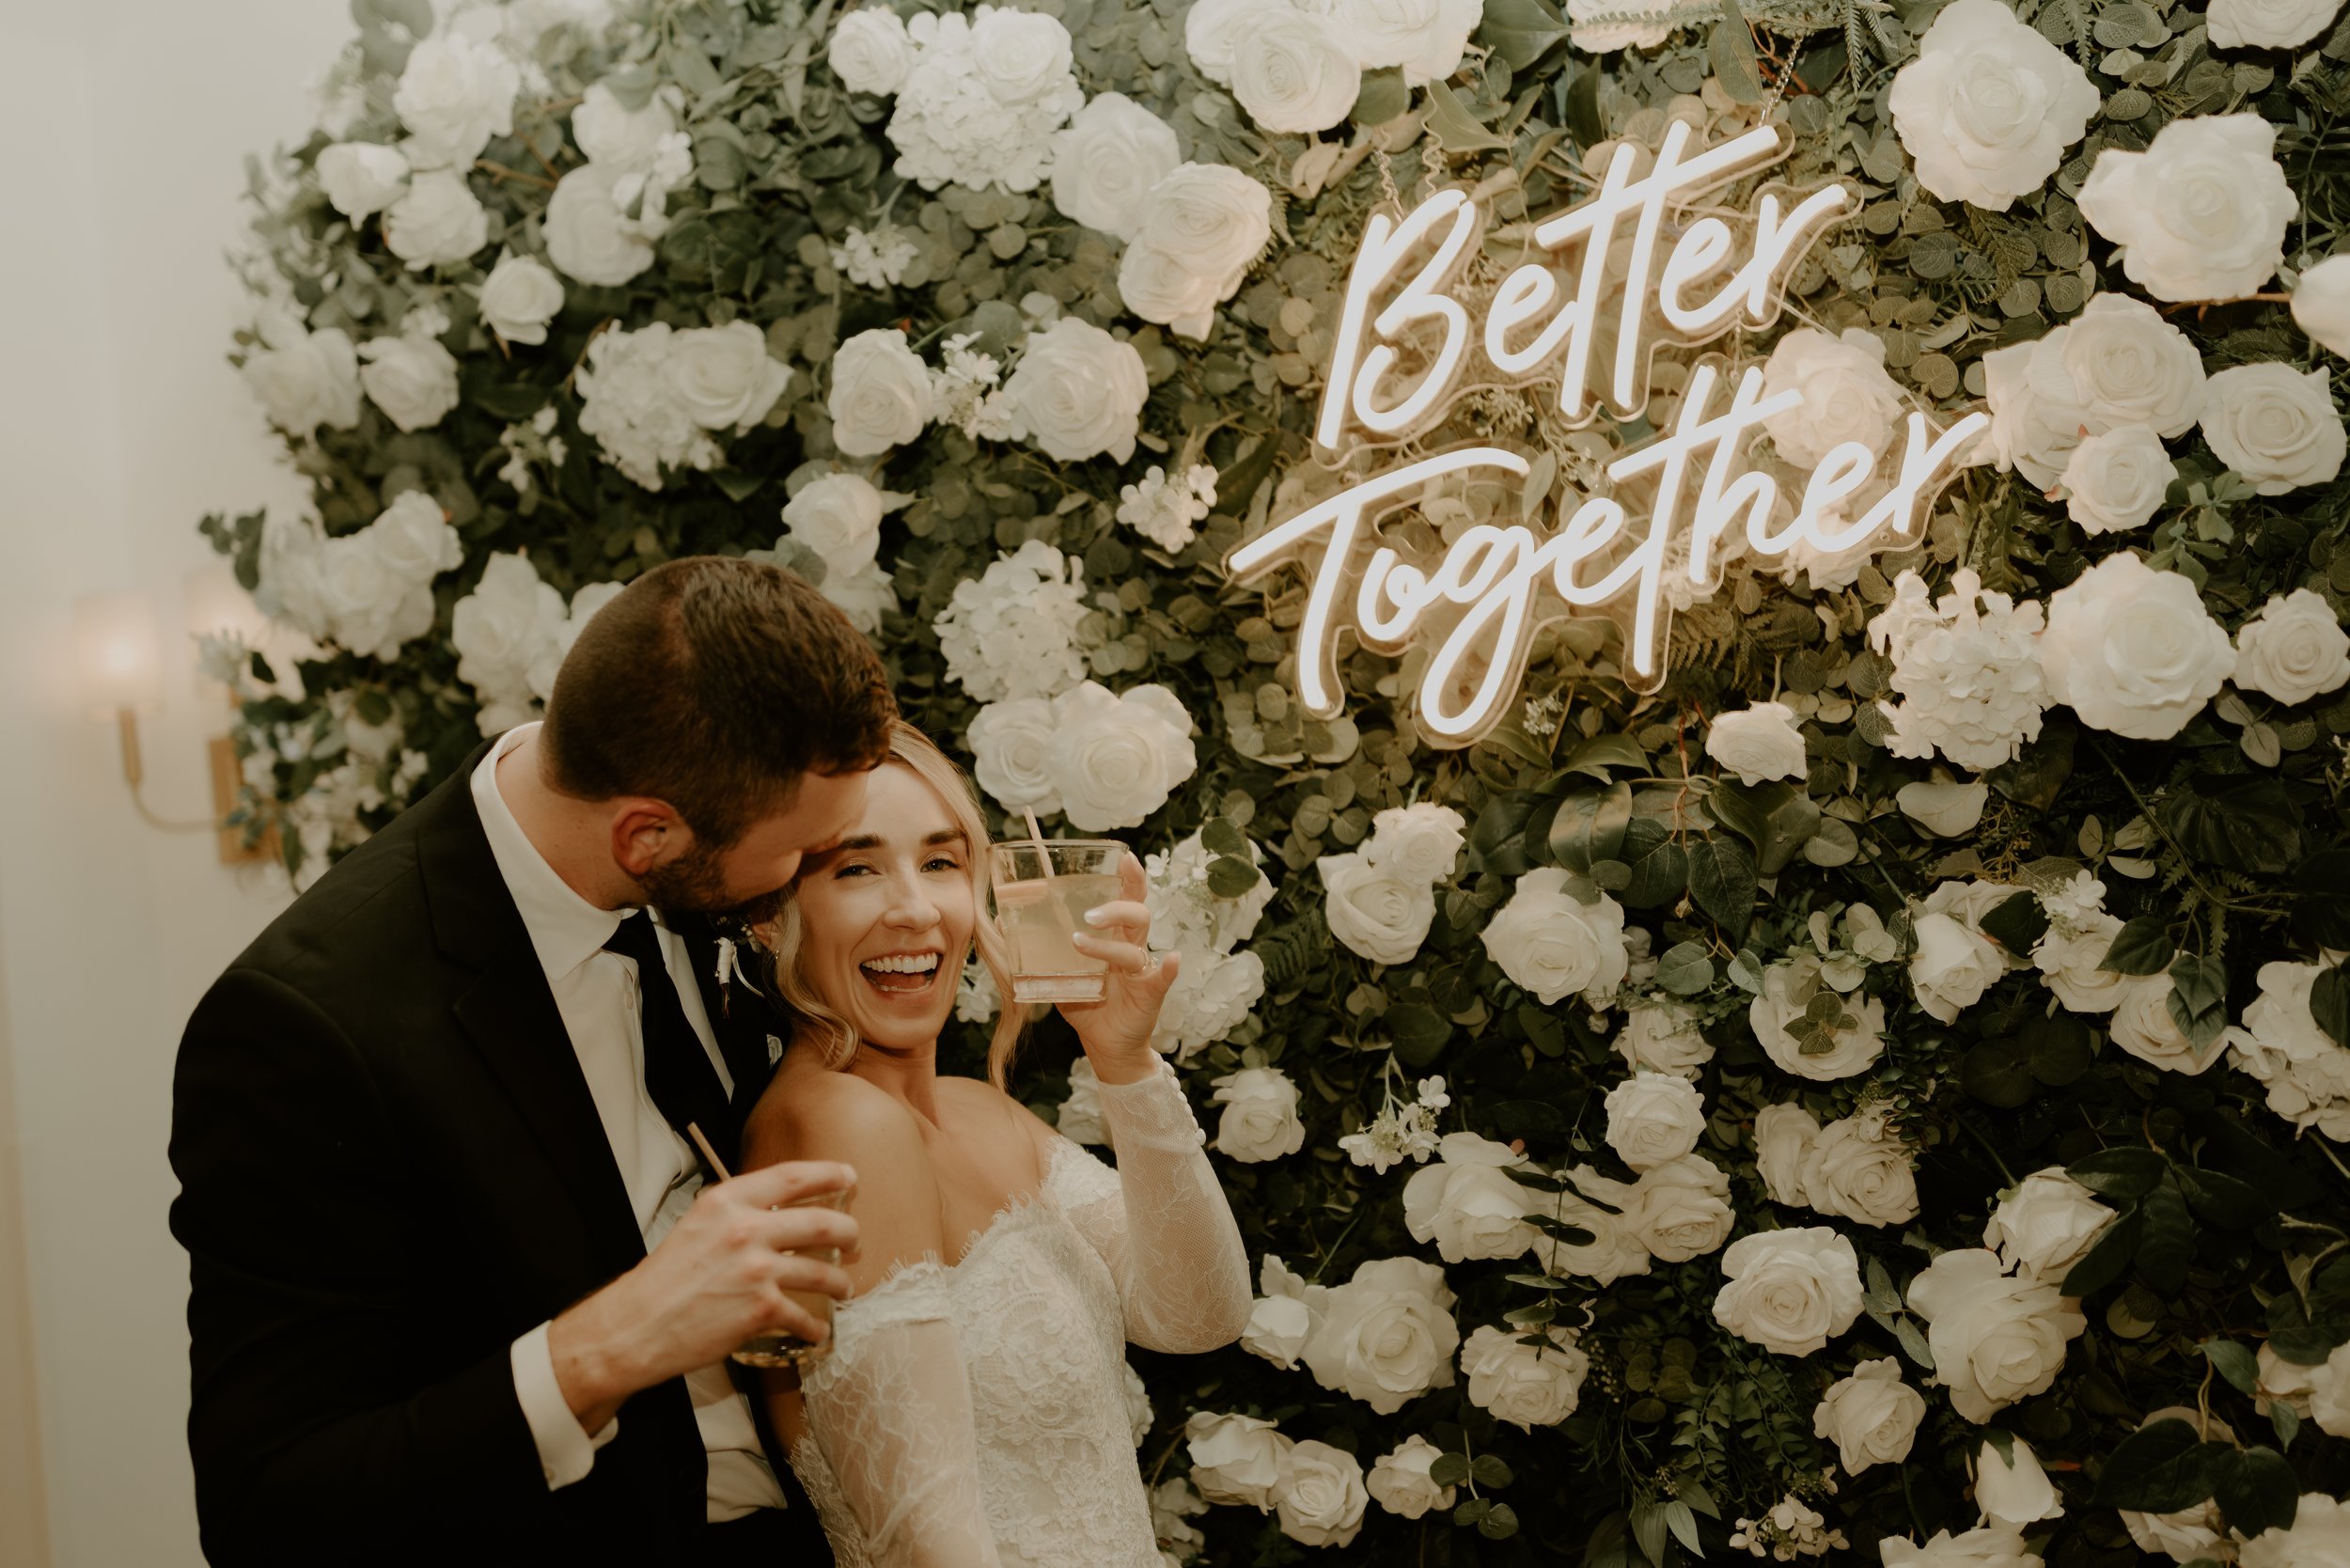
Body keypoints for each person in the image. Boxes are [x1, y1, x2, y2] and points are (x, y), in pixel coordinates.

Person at [169, 557, 895, 1566]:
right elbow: (273, 1509)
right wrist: (611, 1343)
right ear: (649, 835)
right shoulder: (309, 1026)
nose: (812, 876)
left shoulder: (698, 868)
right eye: (802, 851)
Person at [741, 720, 1253, 1568]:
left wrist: (1123, 1064)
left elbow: (1199, 1315)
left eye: (940, 862)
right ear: (770, 913)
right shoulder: (837, 1125)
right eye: (856, 868)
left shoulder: (979, 1110)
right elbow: (926, 1543)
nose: (913, 907)